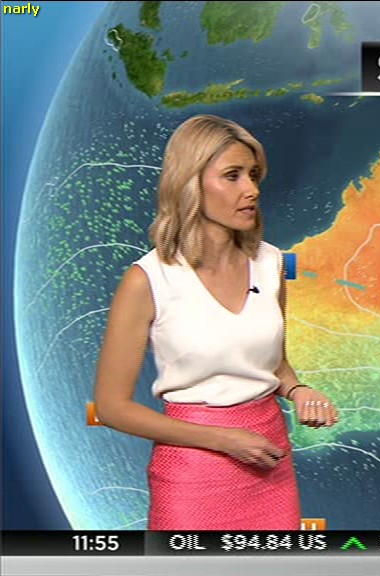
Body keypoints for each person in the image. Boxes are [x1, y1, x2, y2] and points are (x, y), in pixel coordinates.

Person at [93, 114, 339, 530]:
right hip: (193, 473)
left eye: (253, 175)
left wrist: (298, 390)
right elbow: (112, 408)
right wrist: (222, 439)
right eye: (233, 176)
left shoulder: (270, 264)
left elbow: (274, 365)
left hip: (269, 460)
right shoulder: (148, 280)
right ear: (190, 184)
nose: (252, 189)